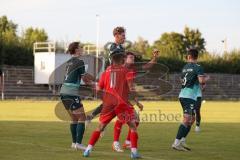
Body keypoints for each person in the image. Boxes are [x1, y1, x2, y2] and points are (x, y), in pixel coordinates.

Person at [83, 49, 142, 159]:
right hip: (121, 103)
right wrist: (136, 101)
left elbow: (99, 88)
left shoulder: (106, 71)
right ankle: (134, 153)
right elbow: (131, 88)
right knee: (133, 126)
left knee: (100, 127)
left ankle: (87, 150)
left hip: (108, 104)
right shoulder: (126, 71)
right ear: (122, 59)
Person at [60, 42, 94, 150]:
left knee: (74, 118)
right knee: (82, 117)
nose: (82, 49)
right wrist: (96, 84)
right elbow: (84, 78)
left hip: (63, 91)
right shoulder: (80, 62)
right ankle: (79, 143)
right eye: (80, 47)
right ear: (76, 50)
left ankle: (74, 143)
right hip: (71, 92)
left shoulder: (68, 62)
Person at [172, 48, 208, 151]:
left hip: (183, 95)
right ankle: (176, 143)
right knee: (187, 119)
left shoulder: (184, 67)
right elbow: (201, 81)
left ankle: (182, 140)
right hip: (189, 96)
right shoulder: (198, 67)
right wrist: (205, 81)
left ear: (188, 57)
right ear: (197, 57)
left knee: (192, 119)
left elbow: (181, 80)